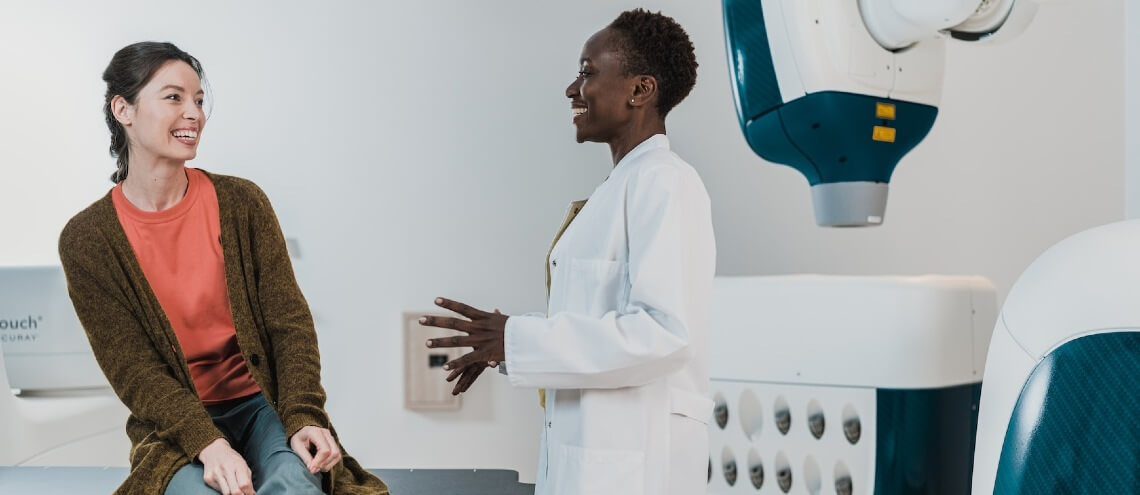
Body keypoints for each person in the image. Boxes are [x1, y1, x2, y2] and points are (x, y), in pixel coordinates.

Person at [58, 41, 387, 495]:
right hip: (173, 426)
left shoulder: (242, 202)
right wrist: (208, 443)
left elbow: (288, 324)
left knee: (295, 483)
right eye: (174, 97)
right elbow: (136, 372)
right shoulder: (87, 240)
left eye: (198, 100)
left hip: (261, 405)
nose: (193, 113)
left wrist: (304, 416)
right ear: (124, 109)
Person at [419, 9, 715, 495]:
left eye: (587, 72)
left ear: (640, 90)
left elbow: (664, 334)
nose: (572, 90)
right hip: (592, 462)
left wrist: (516, 339)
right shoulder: (620, 187)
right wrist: (506, 346)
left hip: (636, 470)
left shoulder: (666, 182)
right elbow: (596, 322)